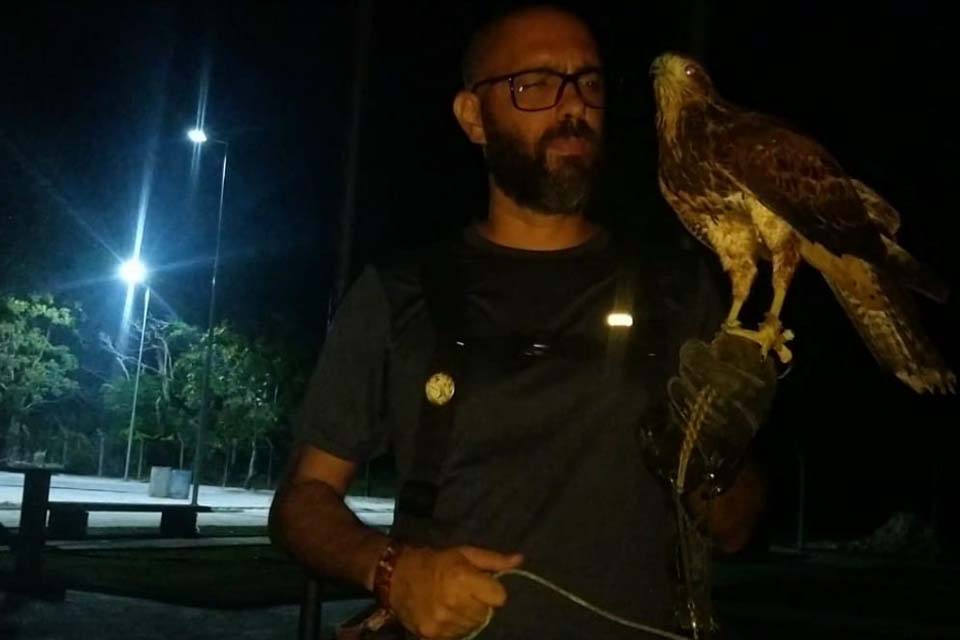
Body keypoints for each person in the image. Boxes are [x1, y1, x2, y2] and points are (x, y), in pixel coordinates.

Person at [270, 5, 773, 639]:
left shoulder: (678, 292)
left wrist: (717, 457)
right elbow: (300, 503)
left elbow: (734, 525)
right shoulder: (401, 294)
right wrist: (392, 571)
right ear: (472, 117)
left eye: (587, 83)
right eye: (534, 84)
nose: (574, 107)